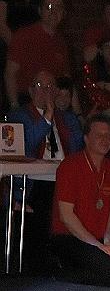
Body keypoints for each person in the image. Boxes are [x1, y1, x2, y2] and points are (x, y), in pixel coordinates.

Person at [50, 115, 110, 287]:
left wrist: (108, 243)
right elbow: (66, 216)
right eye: (99, 135)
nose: (105, 140)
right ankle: (62, 270)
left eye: (108, 135)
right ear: (86, 138)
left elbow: (108, 211)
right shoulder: (70, 166)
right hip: (70, 238)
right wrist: (98, 245)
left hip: (98, 238)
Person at [8, 69, 83, 272]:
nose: (46, 91)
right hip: (34, 181)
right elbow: (26, 147)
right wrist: (47, 119)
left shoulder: (67, 119)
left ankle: (64, 261)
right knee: (44, 200)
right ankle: (40, 263)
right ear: (31, 91)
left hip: (62, 178)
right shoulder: (19, 116)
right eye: (40, 86)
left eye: (50, 87)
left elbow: (77, 149)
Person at [5, 0, 69, 108]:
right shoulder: (24, 35)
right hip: (26, 100)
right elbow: (10, 73)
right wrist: (14, 106)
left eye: (58, 8)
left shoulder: (61, 42)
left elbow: (65, 78)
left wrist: (77, 113)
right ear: (40, 11)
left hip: (51, 102)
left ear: (63, 14)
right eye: (49, 7)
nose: (53, 11)